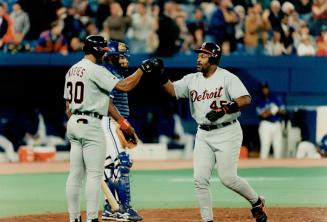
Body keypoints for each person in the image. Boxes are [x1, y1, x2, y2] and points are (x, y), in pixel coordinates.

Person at [154, 42, 267, 222]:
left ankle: (256, 202)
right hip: (204, 134)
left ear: (213, 58)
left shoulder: (227, 78)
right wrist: (161, 75)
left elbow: (246, 99)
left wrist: (226, 109)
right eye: (199, 55)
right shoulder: (192, 79)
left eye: (203, 55)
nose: (198, 58)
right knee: (200, 179)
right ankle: (208, 220)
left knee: (228, 178)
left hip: (227, 131)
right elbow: (173, 91)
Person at [64, 35, 157, 222]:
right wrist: (141, 70)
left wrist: (78, 124)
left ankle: (74, 218)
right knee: (94, 175)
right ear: (97, 51)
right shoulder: (95, 69)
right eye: (103, 51)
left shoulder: (72, 70)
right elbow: (123, 86)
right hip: (93, 122)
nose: (105, 54)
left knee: (75, 175)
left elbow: (68, 107)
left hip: (74, 122)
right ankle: (93, 218)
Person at [100, 40, 142, 221]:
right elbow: (108, 104)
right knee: (120, 163)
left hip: (113, 123)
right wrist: (124, 124)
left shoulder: (113, 73)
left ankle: (111, 206)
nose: (125, 60)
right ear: (111, 57)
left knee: (111, 166)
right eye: (121, 56)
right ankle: (124, 208)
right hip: (109, 122)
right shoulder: (106, 73)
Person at [256, 82, 285, 159]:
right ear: (261, 90)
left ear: (268, 88)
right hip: (266, 124)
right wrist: (272, 110)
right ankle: (261, 168)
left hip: (276, 124)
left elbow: (283, 111)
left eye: (266, 88)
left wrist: (274, 110)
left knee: (278, 148)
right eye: (263, 88)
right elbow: (263, 115)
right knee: (265, 147)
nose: (265, 90)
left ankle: (278, 168)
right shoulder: (259, 100)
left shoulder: (275, 98)